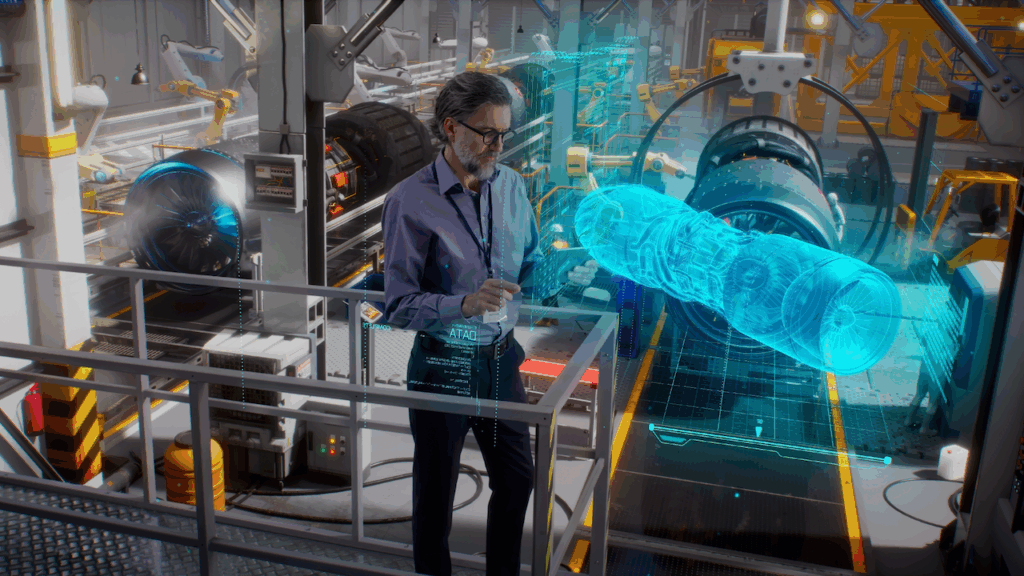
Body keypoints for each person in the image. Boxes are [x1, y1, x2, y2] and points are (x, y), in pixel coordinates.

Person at [380, 71, 597, 576]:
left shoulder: (513, 187)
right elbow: (399, 304)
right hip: (444, 366)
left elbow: (531, 267)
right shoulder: (410, 202)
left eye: (504, 133)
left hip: (500, 361)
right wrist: (464, 305)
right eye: (487, 134)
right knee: (436, 494)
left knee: (518, 478)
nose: (499, 145)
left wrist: (563, 273)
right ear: (451, 128)